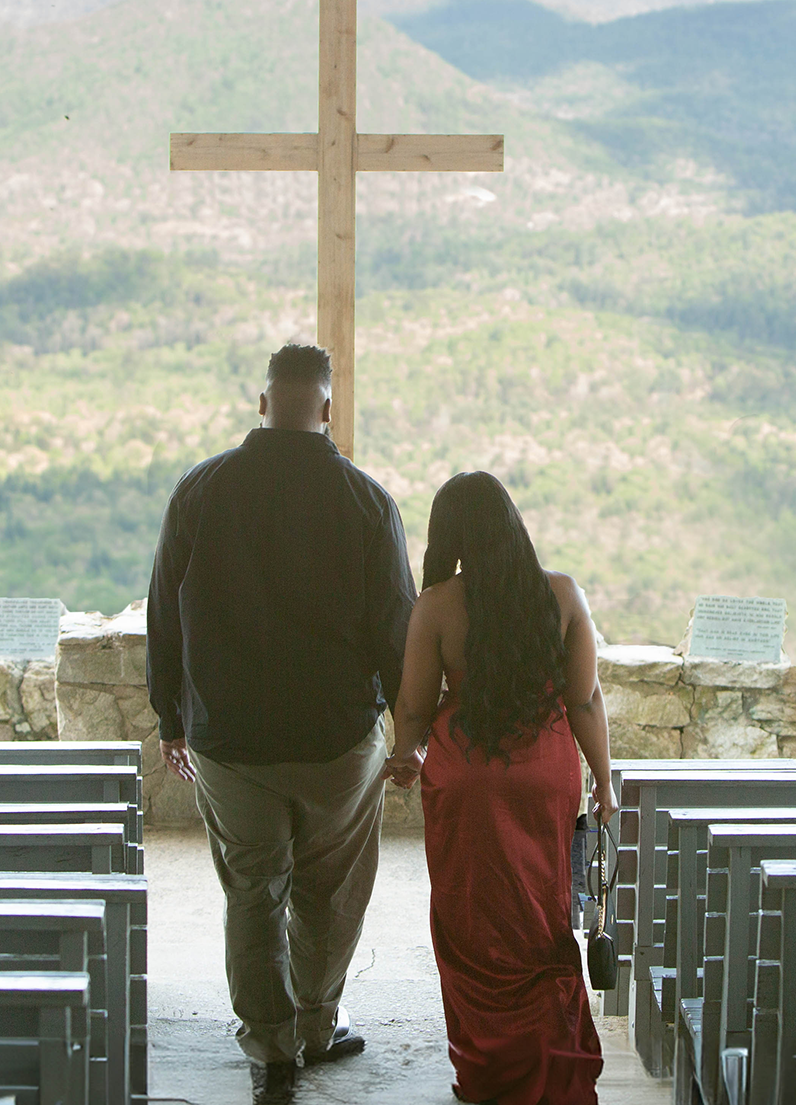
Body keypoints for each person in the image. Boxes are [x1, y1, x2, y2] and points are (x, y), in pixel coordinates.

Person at [146, 343, 417, 1105]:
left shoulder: (200, 492)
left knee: (253, 891)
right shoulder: (367, 502)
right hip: (336, 741)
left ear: (262, 403)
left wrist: (171, 715)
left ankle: (270, 1051)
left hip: (228, 740)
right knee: (329, 894)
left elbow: (164, 610)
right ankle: (316, 1025)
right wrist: (410, 733)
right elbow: (394, 629)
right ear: (326, 409)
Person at [385, 470, 616, 1105]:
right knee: (543, 915)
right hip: (544, 776)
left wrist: (405, 755)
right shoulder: (563, 595)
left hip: (466, 780)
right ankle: (554, 1064)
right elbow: (585, 700)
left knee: (468, 918)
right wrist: (603, 779)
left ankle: (487, 1071)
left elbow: (412, 705)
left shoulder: (436, 605)